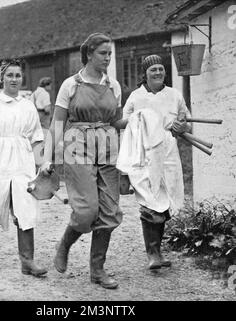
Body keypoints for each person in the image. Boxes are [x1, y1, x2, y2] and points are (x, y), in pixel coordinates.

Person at [40, 33, 123, 289]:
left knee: (109, 212)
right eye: (103, 53)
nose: (107, 58)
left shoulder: (114, 86)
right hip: (77, 146)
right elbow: (57, 124)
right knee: (87, 210)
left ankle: (97, 270)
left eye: (109, 54)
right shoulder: (70, 85)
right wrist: (47, 159)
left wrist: (142, 119)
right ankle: (65, 244)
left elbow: (116, 122)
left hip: (108, 147)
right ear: (89, 54)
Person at [0, 58, 47, 278]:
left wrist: (43, 164)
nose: (14, 79)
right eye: (10, 75)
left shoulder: (28, 105)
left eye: (18, 75)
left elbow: (37, 138)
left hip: (23, 159)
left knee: (25, 204)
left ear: (22, 78)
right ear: (2, 78)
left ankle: (27, 261)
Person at [116, 54, 190, 270]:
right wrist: (136, 119)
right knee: (150, 200)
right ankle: (153, 254)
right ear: (145, 73)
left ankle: (157, 250)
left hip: (167, 151)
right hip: (144, 151)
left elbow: (187, 122)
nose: (157, 72)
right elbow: (121, 123)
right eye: (152, 70)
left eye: (160, 69)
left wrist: (181, 127)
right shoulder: (136, 97)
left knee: (166, 200)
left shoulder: (174, 95)